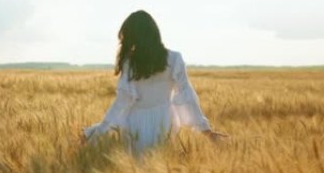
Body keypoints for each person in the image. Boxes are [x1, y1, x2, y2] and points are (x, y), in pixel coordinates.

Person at [82, 10, 228, 156]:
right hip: (164, 122)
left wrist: (100, 131)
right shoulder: (175, 58)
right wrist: (207, 132)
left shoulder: (130, 62)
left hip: (134, 124)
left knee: (137, 168)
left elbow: (121, 103)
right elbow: (187, 96)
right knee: (161, 162)